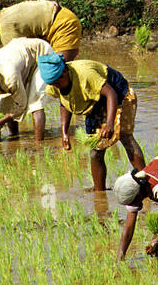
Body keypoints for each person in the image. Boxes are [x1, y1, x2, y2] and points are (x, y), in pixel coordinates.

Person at [39, 52, 144, 190]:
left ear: (65, 71)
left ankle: (146, 182)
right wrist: (64, 132)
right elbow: (65, 102)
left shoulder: (86, 75)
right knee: (96, 150)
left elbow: (111, 94)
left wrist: (110, 123)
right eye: (52, 84)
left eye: (57, 82)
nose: (56, 86)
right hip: (94, 103)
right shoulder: (55, 83)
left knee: (125, 137)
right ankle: (99, 193)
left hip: (118, 94)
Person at [0, 37, 53, 143]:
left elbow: (21, 105)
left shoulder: (10, 77)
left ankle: (39, 144)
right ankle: (14, 137)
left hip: (40, 55)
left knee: (35, 102)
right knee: (6, 105)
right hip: (20, 56)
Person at [0, 0, 82, 61]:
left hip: (62, 25)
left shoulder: (6, 28)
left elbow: (17, 58)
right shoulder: (10, 11)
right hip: (64, 15)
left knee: (60, 71)